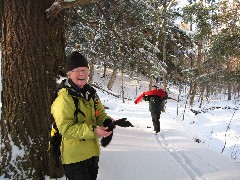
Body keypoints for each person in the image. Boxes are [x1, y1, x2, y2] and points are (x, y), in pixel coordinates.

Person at [51, 51, 113, 180]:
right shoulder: (64, 98)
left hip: (92, 153)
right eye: (77, 70)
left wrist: (106, 122)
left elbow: (100, 113)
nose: (82, 74)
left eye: (85, 70)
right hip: (74, 158)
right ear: (69, 74)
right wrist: (93, 130)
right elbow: (66, 129)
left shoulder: (90, 93)